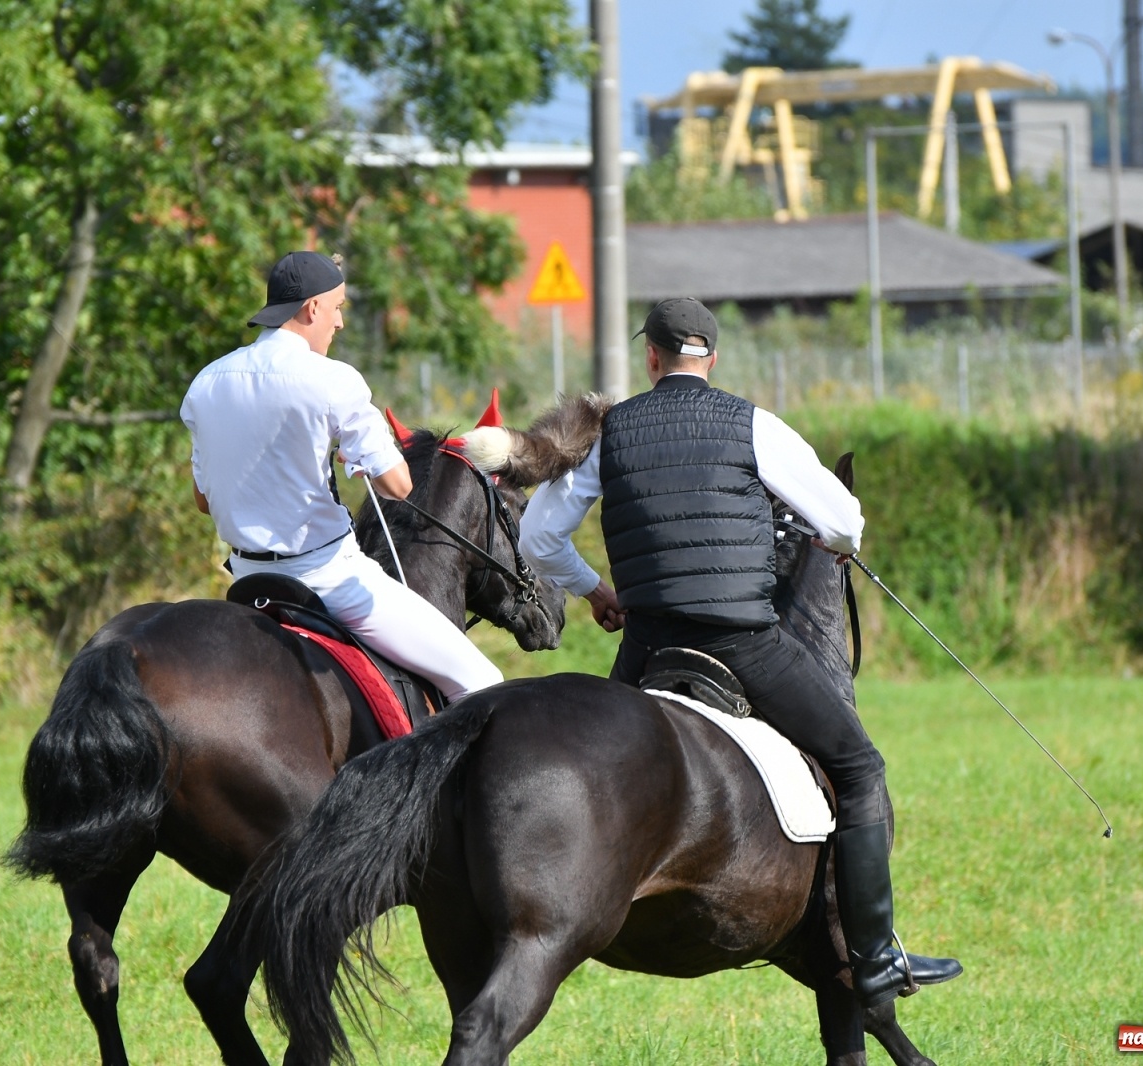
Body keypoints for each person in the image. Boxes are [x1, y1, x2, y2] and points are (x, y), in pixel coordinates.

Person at [518, 297, 961, 1009]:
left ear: (652, 358)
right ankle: (876, 957)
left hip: (647, 647)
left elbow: (537, 540)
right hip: (742, 642)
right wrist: (834, 544)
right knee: (858, 765)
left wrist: (596, 589)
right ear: (712, 360)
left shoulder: (614, 432)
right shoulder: (753, 424)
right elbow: (845, 520)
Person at [181, 250, 502, 702]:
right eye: (338, 308)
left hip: (246, 578)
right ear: (312, 308)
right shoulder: (333, 380)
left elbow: (203, 500)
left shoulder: (206, 382)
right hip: (329, 579)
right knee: (482, 682)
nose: (340, 323)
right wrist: (356, 456)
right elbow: (399, 486)